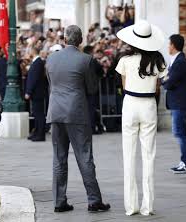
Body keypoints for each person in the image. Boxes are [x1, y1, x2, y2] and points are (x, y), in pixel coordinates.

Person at [46, 25, 110, 213]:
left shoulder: (50, 58)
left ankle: (59, 201)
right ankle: (94, 200)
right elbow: (91, 88)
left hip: (56, 111)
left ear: (65, 39)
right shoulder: (85, 59)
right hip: (76, 112)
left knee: (59, 158)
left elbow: (52, 84)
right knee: (84, 156)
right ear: (80, 40)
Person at [115, 20, 166, 216]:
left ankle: (131, 206)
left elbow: (124, 85)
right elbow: (158, 87)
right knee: (149, 156)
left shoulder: (125, 60)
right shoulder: (158, 60)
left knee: (128, 156)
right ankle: (148, 206)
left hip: (130, 104)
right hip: (148, 105)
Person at [163, 34, 186, 174]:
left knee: (180, 133)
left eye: (169, 44)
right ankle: (185, 161)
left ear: (173, 45)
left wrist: (165, 80)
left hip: (180, 103)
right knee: (181, 133)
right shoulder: (176, 60)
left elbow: (169, 83)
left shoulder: (180, 61)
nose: (168, 46)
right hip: (177, 102)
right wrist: (166, 79)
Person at [25, 46, 46, 142]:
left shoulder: (38, 63)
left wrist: (28, 91)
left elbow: (33, 79)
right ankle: (37, 132)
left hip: (37, 93)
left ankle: (40, 134)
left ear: (33, 51)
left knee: (39, 114)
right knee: (36, 113)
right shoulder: (36, 62)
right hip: (37, 93)